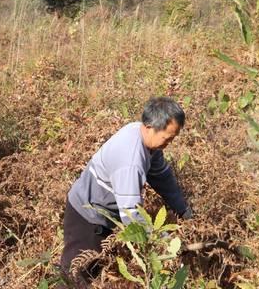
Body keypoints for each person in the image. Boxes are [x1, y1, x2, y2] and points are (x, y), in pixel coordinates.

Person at [61, 96, 192, 284]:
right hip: (86, 219)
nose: (169, 143)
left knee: (94, 275)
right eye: (167, 138)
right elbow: (132, 216)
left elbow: (163, 178)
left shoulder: (145, 139)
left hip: (103, 218)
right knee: (75, 278)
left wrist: (184, 211)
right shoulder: (130, 161)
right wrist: (167, 244)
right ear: (149, 127)